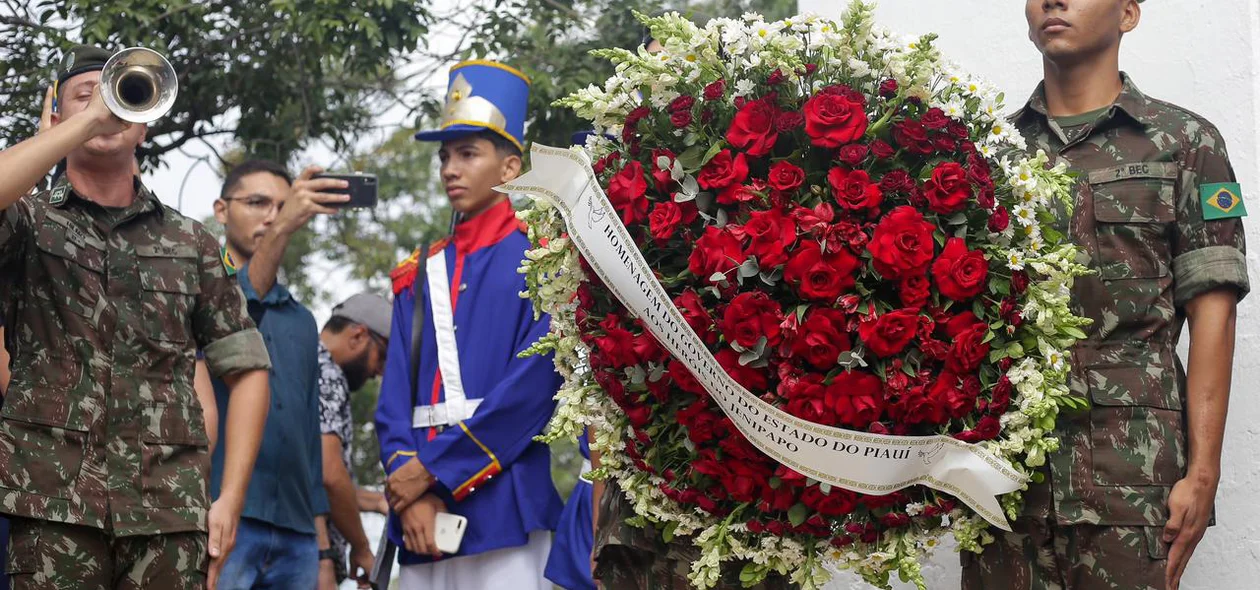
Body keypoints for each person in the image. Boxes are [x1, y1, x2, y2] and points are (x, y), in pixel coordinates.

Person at [964, 2, 1249, 590]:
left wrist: (1203, 474)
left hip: (1133, 480)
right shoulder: (988, 152)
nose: (1053, 2)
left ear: (1127, 14)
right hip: (1002, 480)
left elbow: (1213, 314)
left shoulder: (1185, 143)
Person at [0, 45, 272, 589]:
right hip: (55, 507)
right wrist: (73, 129)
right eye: (86, 94)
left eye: (119, 93)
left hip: (170, 514)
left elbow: (247, 371)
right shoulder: (28, 222)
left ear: (144, 127)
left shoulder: (190, 240)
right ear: (54, 118)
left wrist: (231, 499)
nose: (105, 104)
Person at [375, 60, 564, 590]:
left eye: (468, 154)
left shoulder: (544, 259)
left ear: (509, 168)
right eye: (444, 157)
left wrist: (430, 475)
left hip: (508, 507)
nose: (450, 170)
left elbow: (533, 390)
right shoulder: (418, 272)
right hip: (417, 519)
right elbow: (393, 403)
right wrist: (407, 489)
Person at [208, 159, 348, 588]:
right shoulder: (199, 288)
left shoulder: (302, 320)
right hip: (223, 517)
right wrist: (284, 227)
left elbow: (309, 436)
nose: (271, 215)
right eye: (257, 203)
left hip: (297, 532)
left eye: (282, 206)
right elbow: (244, 296)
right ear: (221, 210)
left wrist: (322, 542)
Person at [314, 293, 392, 589]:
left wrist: (375, 501)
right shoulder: (327, 373)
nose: (379, 371)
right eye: (382, 356)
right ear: (359, 335)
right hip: (307, 554)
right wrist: (361, 548)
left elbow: (311, 475)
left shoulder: (300, 360)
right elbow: (329, 476)